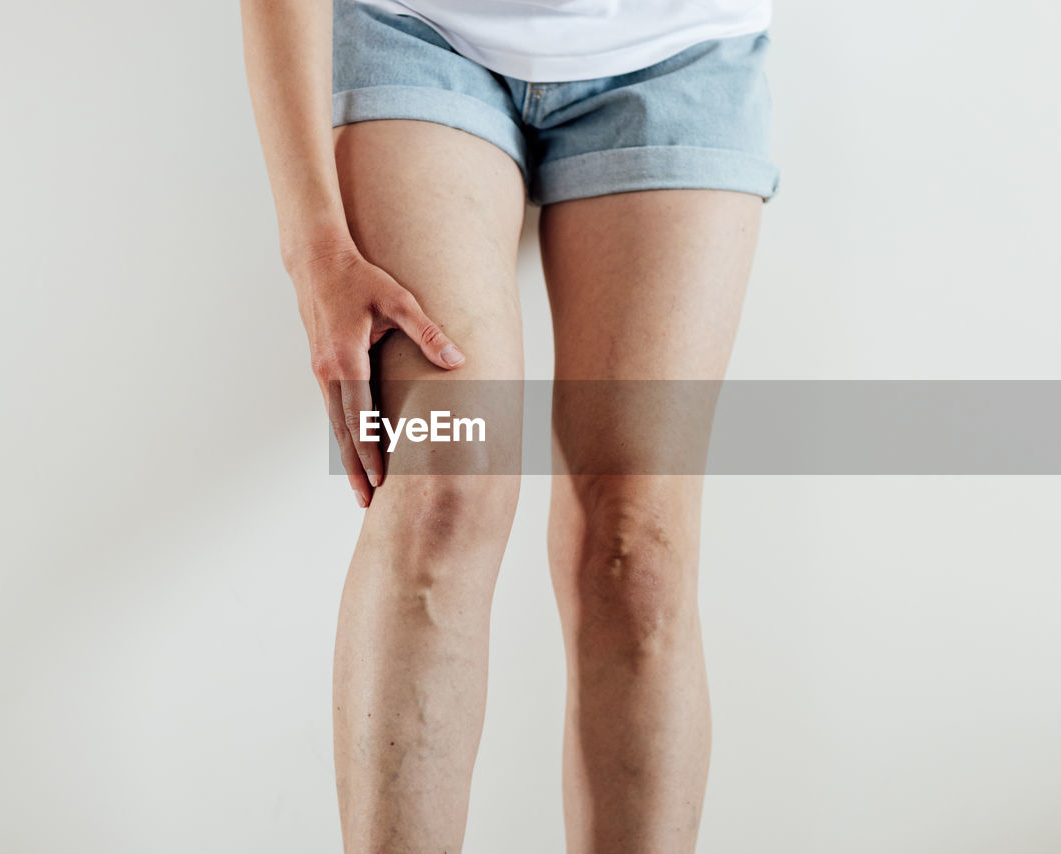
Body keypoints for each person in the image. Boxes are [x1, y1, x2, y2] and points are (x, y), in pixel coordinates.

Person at [240, 0, 779, 850]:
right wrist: (314, 244)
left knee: (638, 548)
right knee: (444, 488)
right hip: (420, 32)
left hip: (678, 49)